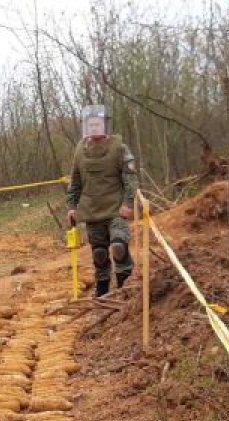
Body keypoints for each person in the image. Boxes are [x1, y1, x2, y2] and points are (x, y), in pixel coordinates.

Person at [66, 104, 138, 297]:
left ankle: (125, 286)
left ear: (105, 125)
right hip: (92, 210)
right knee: (99, 252)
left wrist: (128, 203)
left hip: (116, 208)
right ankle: (103, 288)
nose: (94, 128)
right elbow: (75, 181)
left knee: (118, 246)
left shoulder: (119, 148)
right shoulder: (80, 150)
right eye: (90, 125)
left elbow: (130, 178)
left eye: (97, 124)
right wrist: (72, 206)